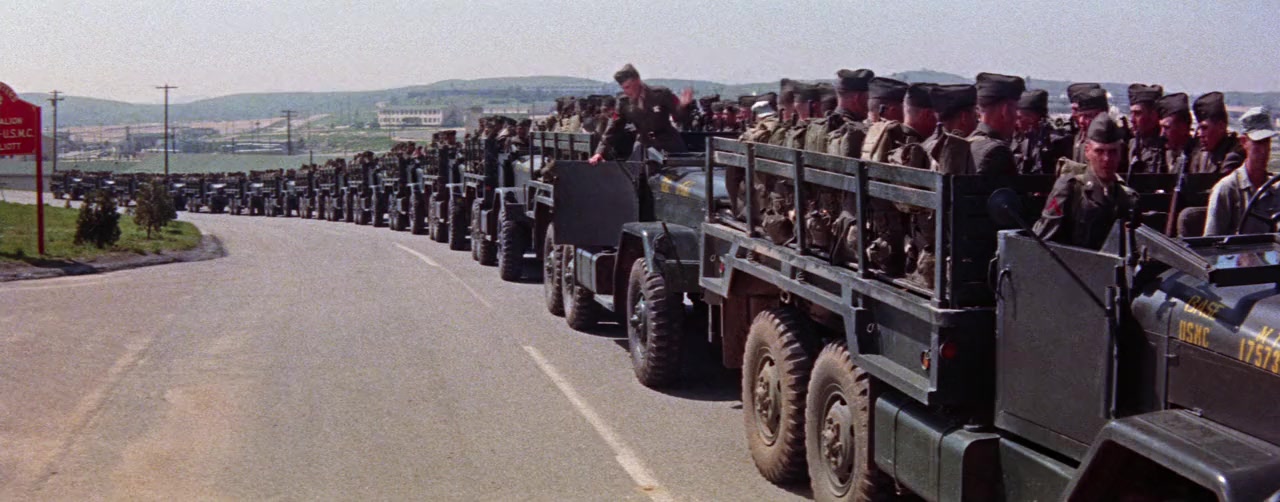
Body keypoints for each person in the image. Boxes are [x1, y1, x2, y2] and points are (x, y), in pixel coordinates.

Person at [1033, 115, 1138, 249]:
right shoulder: (1069, 189)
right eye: (1099, 151)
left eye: (1112, 152)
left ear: (1120, 153)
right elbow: (1042, 240)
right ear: (1087, 151)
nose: (1106, 159)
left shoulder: (1127, 198)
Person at [589, 64, 693, 164]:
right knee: (634, 172)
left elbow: (679, 117)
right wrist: (599, 152)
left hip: (668, 143)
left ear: (637, 81)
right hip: (644, 146)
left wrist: (684, 106)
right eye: (623, 88)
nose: (626, 92)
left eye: (628, 87)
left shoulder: (661, 94)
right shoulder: (623, 102)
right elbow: (613, 129)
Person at [1204, 107, 1280, 235]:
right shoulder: (1227, 189)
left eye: (1266, 142)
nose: (1264, 150)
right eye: (1258, 143)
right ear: (1244, 142)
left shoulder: (1276, 190)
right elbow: (1211, 241)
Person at [969, 72, 1024, 176]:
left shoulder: (970, 142)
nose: (1018, 116)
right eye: (1015, 108)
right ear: (1005, 110)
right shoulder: (998, 152)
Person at [1013, 89, 1071, 174]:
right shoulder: (1021, 138)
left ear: (1031, 118)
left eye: (1019, 117)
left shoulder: (1056, 141)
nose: (1016, 122)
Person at [1189, 92, 1244, 174]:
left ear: (1221, 126)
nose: (1200, 134)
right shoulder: (1200, 155)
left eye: (1204, 128)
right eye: (1199, 128)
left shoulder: (1233, 156)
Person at [1127, 83, 1166, 173]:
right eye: (1131, 113)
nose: (1132, 120)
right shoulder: (1132, 144)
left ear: (1154, 115)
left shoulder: (1165, 148)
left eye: (1138, 114)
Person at [1068, 83, 1108, 163]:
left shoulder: (1110, 142)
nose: (1081, 120)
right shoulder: (1079, 137)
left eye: (1088, 116)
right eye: (1080, 115)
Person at [1156, 93, 1196, 171]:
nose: (1162, 134)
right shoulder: (1163, 155)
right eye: (1161, 127)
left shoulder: (1196, 156)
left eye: (1167, 128)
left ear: (1183, 127)